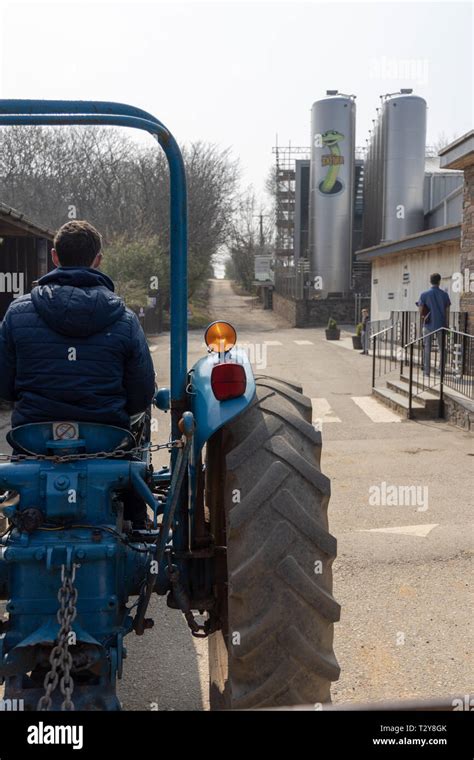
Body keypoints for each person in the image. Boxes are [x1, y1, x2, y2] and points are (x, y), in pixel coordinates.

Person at [0, 220, 156, 525]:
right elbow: (141, 394)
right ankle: (136, 520)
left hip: (33, 440)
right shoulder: (124, 320)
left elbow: (3, 387)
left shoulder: (17, 314)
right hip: (106, 440)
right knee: (142, 422)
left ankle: (24, 516)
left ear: (55, 257)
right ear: (97, 260)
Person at [417, 273, 451, 377]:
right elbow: (447, 312)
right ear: (439, 281)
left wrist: (420, 325)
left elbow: (420, 311)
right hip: (441, 324)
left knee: (427, 348)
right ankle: (440, 370)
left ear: (430, 281)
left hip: (427, 325)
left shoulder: (424, 294)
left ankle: (426, 372)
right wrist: (447, 325)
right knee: (442, 349)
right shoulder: (445, 295)